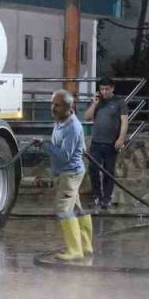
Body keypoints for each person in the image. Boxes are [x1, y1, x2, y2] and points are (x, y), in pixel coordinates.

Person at [39, 89, 93, 261]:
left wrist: (45, 145)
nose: (53, 108)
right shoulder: (61, 120)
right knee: (76, 208)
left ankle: (74, 250)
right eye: (52, 104)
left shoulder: (72, 127)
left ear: (69, 107)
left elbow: (64, 156)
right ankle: (86, 246)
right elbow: (82, 147)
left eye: (57, 105)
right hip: (70, 172)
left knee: (64, 209)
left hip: (69, 173)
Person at [83, 77, 129, 211]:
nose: (104, 92)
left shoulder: (119, 102)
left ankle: (107, 197)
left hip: (111, 143)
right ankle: (97, 195)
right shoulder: (98, 102)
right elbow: (87, 116)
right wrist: (94, 104)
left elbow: (124, 121)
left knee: (108, 170)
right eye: (102, 89)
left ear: (112, 88)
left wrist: (121, 138)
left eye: (106, 89)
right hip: (96, 142)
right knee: (93, 169)